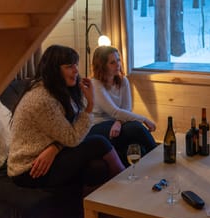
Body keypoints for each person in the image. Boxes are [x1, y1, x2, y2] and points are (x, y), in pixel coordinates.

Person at [8, 45, 125, 189]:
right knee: (99, 142)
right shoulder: (42, 99)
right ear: (54, 70)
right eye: (70, 66)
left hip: (50, 154)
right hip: (30, 168)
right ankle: (126, 189)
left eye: (76, 65)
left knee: (97, 166)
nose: (76, 70)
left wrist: (55, 147)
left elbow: (73, 126)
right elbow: (72, 137)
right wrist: (90, 104)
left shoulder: (57, 90)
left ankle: (106, 204)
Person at [88, 45, 157, 166]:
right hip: (97, 127)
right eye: (112, 62)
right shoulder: (95, 84)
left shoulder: (123, 81)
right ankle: (159, 156)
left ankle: (144, 172)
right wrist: (144, 119)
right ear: (102, 65)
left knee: (140, 148)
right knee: (135, 127)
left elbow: (126, 108)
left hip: (117, 124)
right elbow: (114, 111)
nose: (118, 65)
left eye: (118, 60)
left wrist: (118, 122)